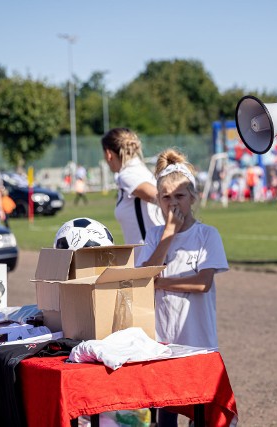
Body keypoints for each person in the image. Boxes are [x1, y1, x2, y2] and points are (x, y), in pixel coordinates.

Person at [136, 148, 229, 427]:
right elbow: (142, 280)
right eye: (166, 197)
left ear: (192, 197)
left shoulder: (206, 235)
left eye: (179, 196)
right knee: (166, 414)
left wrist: (161, 282)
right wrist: (167, 235)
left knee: (199, 413)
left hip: (197, 341)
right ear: (158, 201)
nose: (172, 202)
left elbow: (203, 282)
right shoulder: (154, 235)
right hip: (163, 341)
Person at [101, 128, 163, 259]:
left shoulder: (127, 175)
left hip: (148, 257)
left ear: (108, 154)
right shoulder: (138, 170)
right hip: (152, 254)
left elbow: (161, 197)